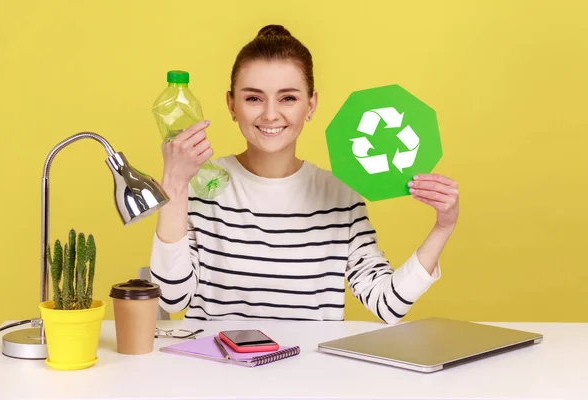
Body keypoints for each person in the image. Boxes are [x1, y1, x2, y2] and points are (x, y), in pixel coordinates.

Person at [149, 24, 459, 323]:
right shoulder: (204, 185)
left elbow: (387, 304)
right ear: (231, 105)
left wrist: (443, 226)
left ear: (311, 104)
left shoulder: (341, 196)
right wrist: (174, 185)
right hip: (217, 369)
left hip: (307, 374)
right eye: (253, 98)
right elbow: (171, 297)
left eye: (288, 98)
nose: (271, 114)